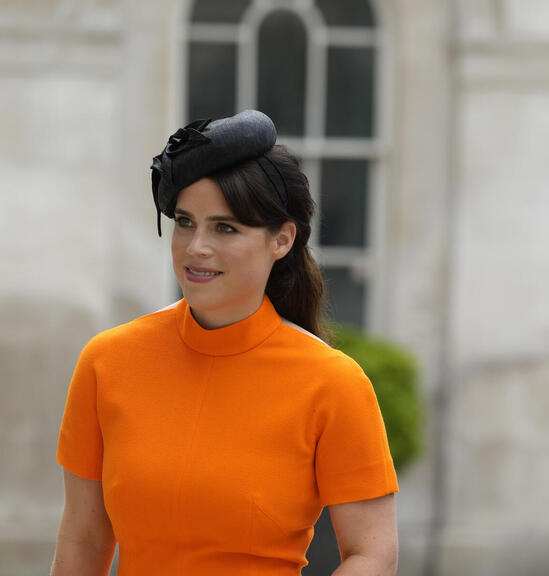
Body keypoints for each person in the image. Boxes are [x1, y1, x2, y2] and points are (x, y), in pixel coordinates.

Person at [51, 110, 399, 576]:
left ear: (281, 240)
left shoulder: (333, 383)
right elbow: (83, 537)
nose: (196, 247)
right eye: (185, 222)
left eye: (225, 228)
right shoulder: (107, 362)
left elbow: (372, 554)